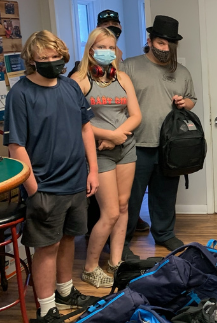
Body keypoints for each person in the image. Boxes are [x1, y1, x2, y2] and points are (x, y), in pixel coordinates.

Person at [5, 30, 97, 322]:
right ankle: (46, 308)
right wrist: (34, 190)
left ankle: (66, 290)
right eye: (44, 58)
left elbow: (86, 129)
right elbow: (16, 146)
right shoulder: (20, 94)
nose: (51, 62)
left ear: (64, 56)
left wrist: (92, 170)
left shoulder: (71, 87)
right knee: (47, 247)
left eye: (56, 57)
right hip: (44, 187)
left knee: (69, 238)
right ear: (32, 60)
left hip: (76, 181)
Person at [70, 27, 141, 287]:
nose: (108, 52)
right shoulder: (79, 81)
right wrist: (109, 137)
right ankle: (90, 267)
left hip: (125, 148)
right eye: (103, 47)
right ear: (91, 50)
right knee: (109, 212)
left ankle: (116, 262)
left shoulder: (122, 78)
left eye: (112, 47)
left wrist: (117, 136)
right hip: (98, 153)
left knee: (123, 207)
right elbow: (77, 122)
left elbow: (135, 114)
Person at [121, 15, 197, 259]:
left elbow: (191, 99)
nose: (165, 49)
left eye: (170, 45)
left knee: (165, 194)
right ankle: (121, 241)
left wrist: (186, 103)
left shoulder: (182, 71)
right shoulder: (130, 66)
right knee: (130, 198)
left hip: (169, 148)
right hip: (135, 145)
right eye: (161, 43)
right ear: (150, 40)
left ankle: (164, 233)